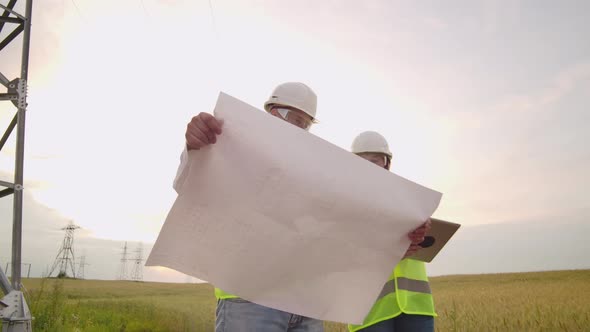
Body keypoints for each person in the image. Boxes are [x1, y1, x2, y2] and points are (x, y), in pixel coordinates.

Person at [173, 82, 324, 332]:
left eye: (304, 123)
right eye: (292, 117)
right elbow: (185, 185)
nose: (298, 127)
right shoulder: (232, 145)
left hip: (303, 302)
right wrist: (194, 148)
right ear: (270, 111)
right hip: (249, 299)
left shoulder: (315, 170)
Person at [348, 131, 436, 332]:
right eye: (362, 161)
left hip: (416, 306)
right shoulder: (346, 203)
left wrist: (424, 228)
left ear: (386, 163)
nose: (368, 166)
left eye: (374, 160)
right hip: (369, 309)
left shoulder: (410, 198)